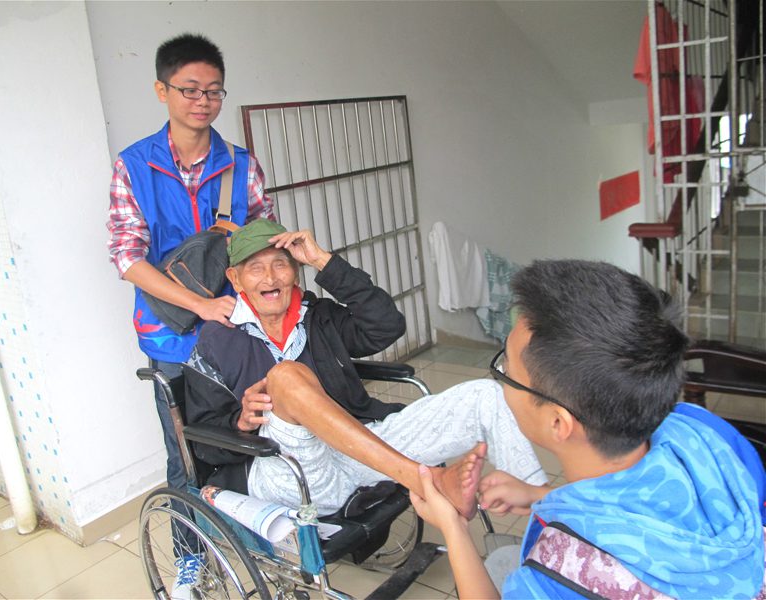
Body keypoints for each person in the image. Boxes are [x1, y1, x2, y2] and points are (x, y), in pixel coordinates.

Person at [411, 259, 766, 599]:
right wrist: (540, 496)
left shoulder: (563, 573)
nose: (501, 379)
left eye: (506, 370)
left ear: (558, 422)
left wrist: (454, 528)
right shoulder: (703, 429)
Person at [185, 218, 548, 518]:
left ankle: (552, 516)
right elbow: (205, 444)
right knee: (285, 376)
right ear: (235, 279)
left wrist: (324, 261)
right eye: (255, 268)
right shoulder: (216, 341)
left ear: (295, 272)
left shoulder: (319, 317)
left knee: (485, 395)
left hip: (361, 453)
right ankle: (428, 481)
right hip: (292, 472)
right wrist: (241, 422)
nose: (270, 278)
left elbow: (386, 326)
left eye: (280, 264)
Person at [106, 33, 273, 598]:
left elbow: (261, 241)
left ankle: (258, 536)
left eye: (214, 91)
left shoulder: (240, 165)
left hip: (239, 332)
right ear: (163, 91)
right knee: (186, 455)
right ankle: (189, 558)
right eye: (190, 89)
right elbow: (127, 257)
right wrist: (201, 304)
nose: (203, 101)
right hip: (172, 340)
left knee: (257, 433)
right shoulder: (135, 166)